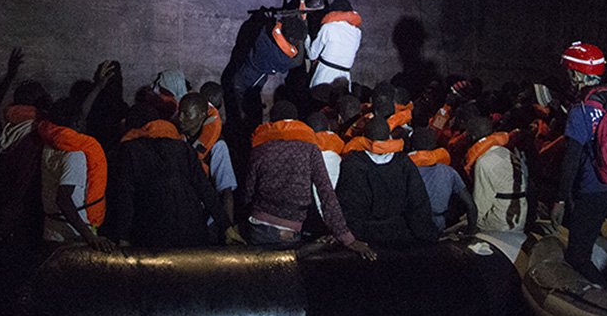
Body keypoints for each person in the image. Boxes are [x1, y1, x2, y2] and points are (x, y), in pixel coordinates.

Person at [552, 42, 607, 290]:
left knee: (578, 257)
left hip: (594, 191)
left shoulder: (580, 110)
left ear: (577, 74)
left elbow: (571, 159)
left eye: (570, 73)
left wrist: (560, 199)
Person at [244, 101, 374, 258]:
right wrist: (347, 239)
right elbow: (326, 192)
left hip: (258, 225)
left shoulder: (260, 149)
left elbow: (248, 192)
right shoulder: (310, 149)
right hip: (290, 230)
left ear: (271, 122)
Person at [104, 104, 239, 249]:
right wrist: (227, 228)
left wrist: (123, 236)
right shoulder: (183, 148)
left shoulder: (129, 151)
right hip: (192, 232)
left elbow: (125, 197)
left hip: (151, 235)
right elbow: (205, 190)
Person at [336, 118, 438, 246]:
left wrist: (348, 237)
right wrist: (428, 236)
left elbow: (347, 207)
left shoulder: (352, 164)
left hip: (365, 236)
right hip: (400, 234)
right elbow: (418, 204)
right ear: (389, 137)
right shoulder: (403, 162)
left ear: (363, 138)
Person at [38, 99, 112, 252]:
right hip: (72, 234)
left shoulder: (49, 146)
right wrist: (91, 237)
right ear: (77, 123)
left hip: (51, 229)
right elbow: (63, 199)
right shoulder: (75, 155)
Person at [0, 80, 51, 244]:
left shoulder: (11, 127)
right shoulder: (35, 134)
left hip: (4, 198)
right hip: (22, 209)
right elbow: (24, 180)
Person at [228, 15, 307, 123]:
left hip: (247, 65)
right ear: (291, 39)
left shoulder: (267, 31)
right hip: (250, 79)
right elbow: (298, 61)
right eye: (298, 40)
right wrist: (302, 42)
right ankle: (246, 124)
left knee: (246, 97)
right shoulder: (280, 58)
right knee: (246, 105)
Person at [177, 92, 236, 230]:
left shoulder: (217, 146)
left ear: (202, 115)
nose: (180, 118)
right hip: (182, 216)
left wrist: (228, 229)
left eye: (187, 114)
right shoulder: (178, 140)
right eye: (180, 112)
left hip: (206, 220)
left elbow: (226, 191)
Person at [465, 117, 530, 232]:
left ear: (472, 137)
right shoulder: (508, 153)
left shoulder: (484, 161)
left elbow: (481, 202)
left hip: (501, 222)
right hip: (521, 215)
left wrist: (472, 225)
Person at [408, 128, 477, 234]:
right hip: (437, 225)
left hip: (410, 224)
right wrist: (470, 231)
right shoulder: (449, 171)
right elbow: (471, 205)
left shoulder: (404, 171)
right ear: (435, 147)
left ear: (412, 147)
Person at [306, 0, 362, 91]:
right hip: (345, 79)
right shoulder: (357, 33)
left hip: (324, 76)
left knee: (319, 103)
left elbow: (312, 55)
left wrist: (306, 40)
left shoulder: (328, 28)